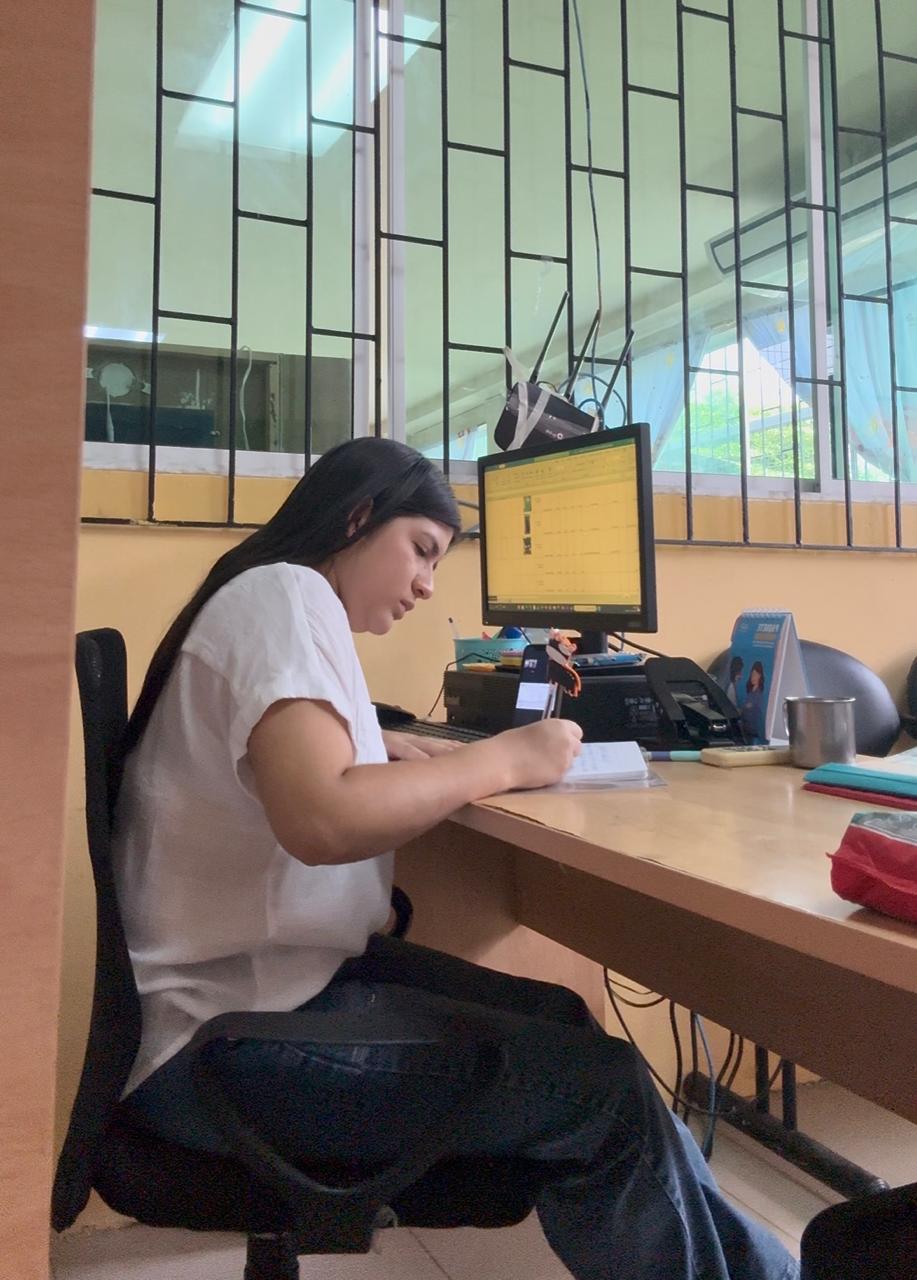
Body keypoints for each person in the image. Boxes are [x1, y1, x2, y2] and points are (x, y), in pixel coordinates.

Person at [115, 437, 798, 1280]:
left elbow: (300, 772)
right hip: (216, 1047)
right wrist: (503, 758)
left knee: (565, 1022)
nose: (427, 584)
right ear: (357, 518)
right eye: (420, 550)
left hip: (252, 999)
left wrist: (380, 745)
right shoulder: (283, 594)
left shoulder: (264, 596)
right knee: (603, 1094)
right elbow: (323, 819)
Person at [740, 661, 768, 743]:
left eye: (755, 674)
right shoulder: (750, 692)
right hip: (746, 728)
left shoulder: (758, 694)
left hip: (753, 729)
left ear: (760, 676)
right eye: (752, 674)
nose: (753, 677)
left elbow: (749, 707)